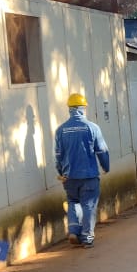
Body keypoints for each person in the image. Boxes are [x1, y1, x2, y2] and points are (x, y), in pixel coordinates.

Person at [54, 92, 110, 248]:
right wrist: (106, 167)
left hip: (69, 177)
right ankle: (87, 237)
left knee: (73, 202)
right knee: (88, 205)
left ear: (70, 109)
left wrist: (61, 172)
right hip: (89, 175)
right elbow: (102, 151)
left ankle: (73, 230)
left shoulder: (61, 130)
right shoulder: (92, 127)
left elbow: (58, 154)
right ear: (82, 108)